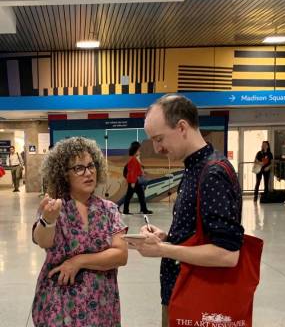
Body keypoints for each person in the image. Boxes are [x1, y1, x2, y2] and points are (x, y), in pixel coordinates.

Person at [128, 94, 244, 327]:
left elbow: (227, 254)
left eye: (159, 139)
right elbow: (201, 234)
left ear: (182, 127)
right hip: (182, 292)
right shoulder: (195, 168)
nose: (158, 148)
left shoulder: (212, 173)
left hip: (198, 299)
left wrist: (163, 250)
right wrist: (169, 238)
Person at [31, 137, 128, 327]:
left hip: (102, 305)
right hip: (60, 306)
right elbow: (42, 241)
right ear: (63, 174)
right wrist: (48, 220)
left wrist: (78, 261)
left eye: (91, 166)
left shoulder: (109, 209)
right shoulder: (55, 207)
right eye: (78, 168)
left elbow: (120, 255)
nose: (88, 173)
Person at [122, 141, 152, 215]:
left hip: (136, 182)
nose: (140, 151)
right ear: (135, 151)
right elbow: (132, 172)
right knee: (128, 196)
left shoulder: (135, 159)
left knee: (141, 195)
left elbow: (137, 170)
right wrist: (132, 182)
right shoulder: (133, 160)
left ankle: (144, 209)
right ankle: (125, 211)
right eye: (138, 150)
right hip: (134, 182)